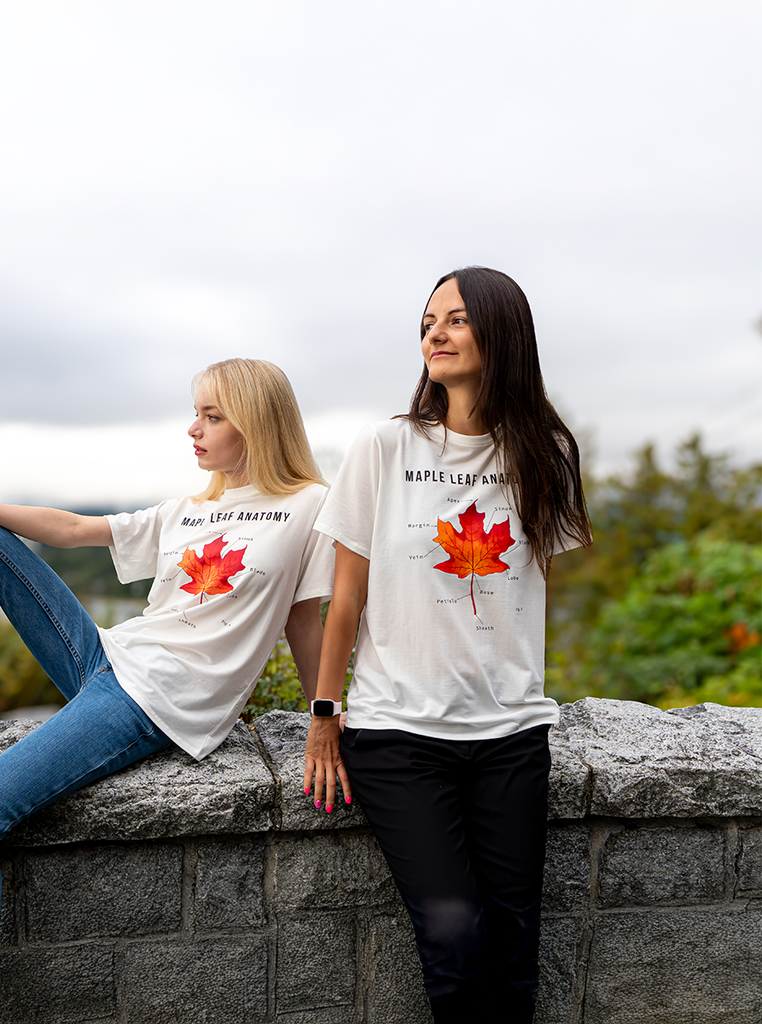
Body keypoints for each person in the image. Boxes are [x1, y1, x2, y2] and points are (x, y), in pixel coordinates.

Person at [0, 358, 334, 1024]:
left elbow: (303, 620)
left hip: (146, 703)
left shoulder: (309, 506)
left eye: (212, 415)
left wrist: (326, 717)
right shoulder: (191, 510)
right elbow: (74, 529)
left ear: (257, 422)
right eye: (195, 412)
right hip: (106, 659)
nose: (193, 430)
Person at [303, 267, 592, 1024]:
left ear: (503, 333)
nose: (435, 331)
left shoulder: (546, 453)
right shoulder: (385, 446)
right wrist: (324, 714)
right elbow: (347, 599)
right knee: (455, 944)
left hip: (511, 736)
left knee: (516, 946)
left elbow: (535, 589)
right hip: (400, 736)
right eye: (429, 320)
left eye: (457, 318)